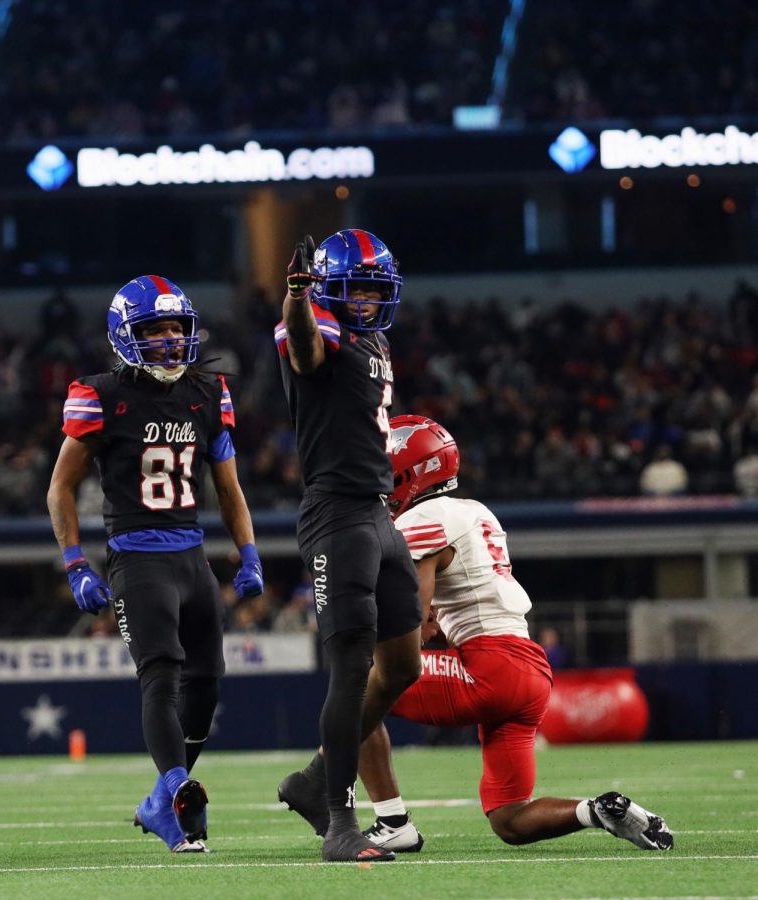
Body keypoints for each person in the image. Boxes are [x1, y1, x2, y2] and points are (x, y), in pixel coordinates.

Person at [355, 415, 674, 854]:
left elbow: (411, 616)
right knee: (510, 819)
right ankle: (596, 810)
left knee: (355, 686)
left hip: (489, 666)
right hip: (529, 671)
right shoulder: (475, 511)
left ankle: (392, 821)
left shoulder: (424, 517)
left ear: (412, 470)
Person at [47, 275, 263, 853]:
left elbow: (230, 488)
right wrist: (75, 562)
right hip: (137, 561)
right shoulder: (99, 394)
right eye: (155, 329)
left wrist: (249, 553)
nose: (169, 339)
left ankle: (162, 796)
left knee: (207, 684)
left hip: (192, 556)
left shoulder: (208, 392)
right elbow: (60, 488)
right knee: (161, 676)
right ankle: (173, 793)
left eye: (176, 328)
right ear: (125, 335)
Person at [274, 230, 423, 862]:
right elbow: (305, 350)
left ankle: (311, 780)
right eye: (353, 288)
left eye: (373, 289)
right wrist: (297, 297)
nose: (363, 300)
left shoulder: (377, 340)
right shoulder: (318, 325)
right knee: (351, 667)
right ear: (329, 289)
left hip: (379, 512)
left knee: (404, 667)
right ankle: (339, 821)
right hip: (337, 513)